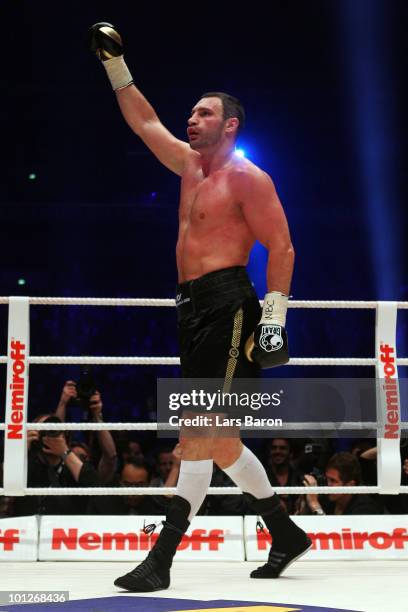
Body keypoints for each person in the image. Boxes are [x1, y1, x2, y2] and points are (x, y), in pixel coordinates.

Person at [89, 22, 311, 592]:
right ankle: (285, 533)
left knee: (198, 433)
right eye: (191, 112)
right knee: (222, 441)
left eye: (204, 113)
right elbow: (143, 121)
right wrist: (116, 65)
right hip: (190, 308)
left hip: (229, 307)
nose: (192, 119)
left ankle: (161, 559)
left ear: (230, 124)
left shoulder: (248, 179)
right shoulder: (189, 166)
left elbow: (282, 246)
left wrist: (273, 320)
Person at [299, 451, 383, 515]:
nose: (327, 485)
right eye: (327, 479)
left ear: (350, 485)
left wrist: (314, 504)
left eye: (333, 481)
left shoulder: (365, 509)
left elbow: (331, 534)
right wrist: (304, 504)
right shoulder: (327, 499)